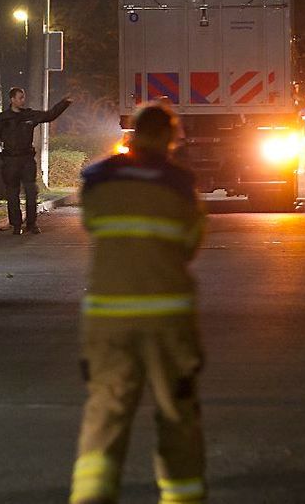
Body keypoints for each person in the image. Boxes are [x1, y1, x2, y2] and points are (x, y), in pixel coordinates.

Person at [69, 103, 207, 504]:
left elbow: (91, 223)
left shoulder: (98, 178)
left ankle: (91, 495)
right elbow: (190, 241)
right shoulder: (179, 183)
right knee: (176, 412)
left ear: (133, 134)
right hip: (168, 320)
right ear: (168, 136)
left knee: (106, 411)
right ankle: (183, 496)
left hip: (108, 318)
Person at [0, 86, 72, 235]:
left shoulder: (29, 115)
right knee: (12, 194)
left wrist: (64, 103)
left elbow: (49, 115)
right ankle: (16, 225)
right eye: (20, 98)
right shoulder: (3, 119)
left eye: (23, 97)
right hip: (10, 161)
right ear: (12, 99)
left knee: (31, 191)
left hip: (26, 160)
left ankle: (32, 223)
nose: (23, 100)